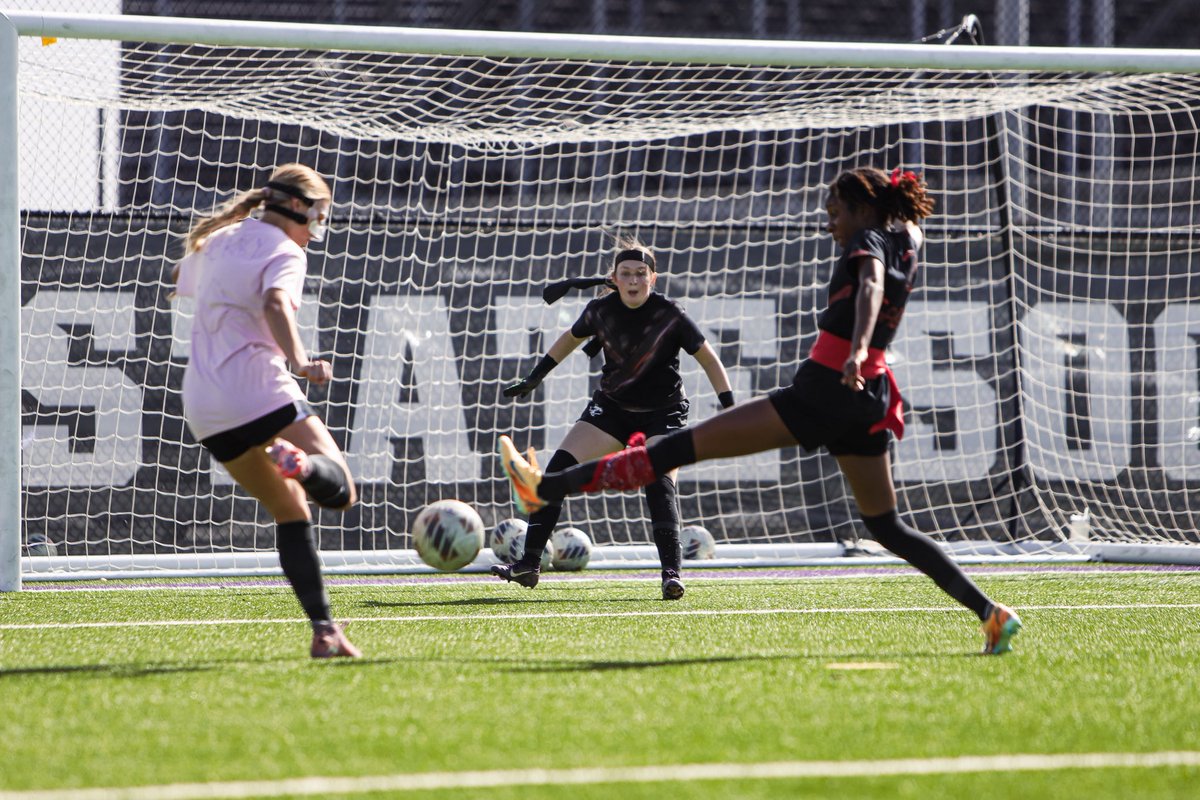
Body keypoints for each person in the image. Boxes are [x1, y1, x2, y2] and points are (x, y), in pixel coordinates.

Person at [498, 168, 1023, 654]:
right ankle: (991, 613)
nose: (830, 222)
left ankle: (541, 489)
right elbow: (901, 229)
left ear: (863, 209)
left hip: (825, 388)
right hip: (871, 396)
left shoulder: (866, 243)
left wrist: (858, 346)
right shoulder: (906, 238)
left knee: (675, 450)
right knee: (887, 528)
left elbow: (870, 285)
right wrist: (891, 201)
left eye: (835, 211)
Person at [172, 163, 361, 659]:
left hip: (205, 406)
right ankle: (299, 464)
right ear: (298, 208)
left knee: (290, 510)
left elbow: (179, 279)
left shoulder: (219, 238)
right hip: (258, 391)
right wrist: (300, 361)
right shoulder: (285, 250)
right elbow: (276, 302)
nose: (316, 231)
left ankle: (325, 631)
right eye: (317, 217)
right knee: (339, 489)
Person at [493, 237, 734, 600]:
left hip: (663, 415)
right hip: (611, 409)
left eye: (641, 273)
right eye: (626, 273)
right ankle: (528, 563)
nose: (634, 280)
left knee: (657, 480)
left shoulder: (671, 313)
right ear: (615, 278)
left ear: (653, 278)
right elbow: (568, 340)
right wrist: (534, 377)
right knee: (555, 473)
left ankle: (672, 573)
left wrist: (729, 407)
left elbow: (709, 359)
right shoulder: (599, 310)